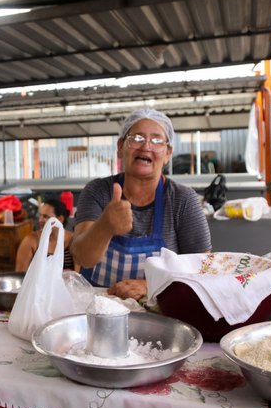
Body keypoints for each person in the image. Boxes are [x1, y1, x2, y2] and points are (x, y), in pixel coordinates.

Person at [70, 108, 210, 300]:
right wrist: (105, 226)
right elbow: (82, 258)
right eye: (136, 138)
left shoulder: (183, 200)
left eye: (157, 140)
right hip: (96, 306)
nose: (146, 146)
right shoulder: (98, 191)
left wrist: (152, 285)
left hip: (158, 309)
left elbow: (203, 267)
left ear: (168, 153)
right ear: (120, 147)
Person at [15, 199, 78, 272]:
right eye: (40, 215)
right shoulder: (31, 241)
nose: (40, 220)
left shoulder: (73, 240)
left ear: (60, 219)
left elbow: (77, 276)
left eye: (46, 217)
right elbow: (20, 275)